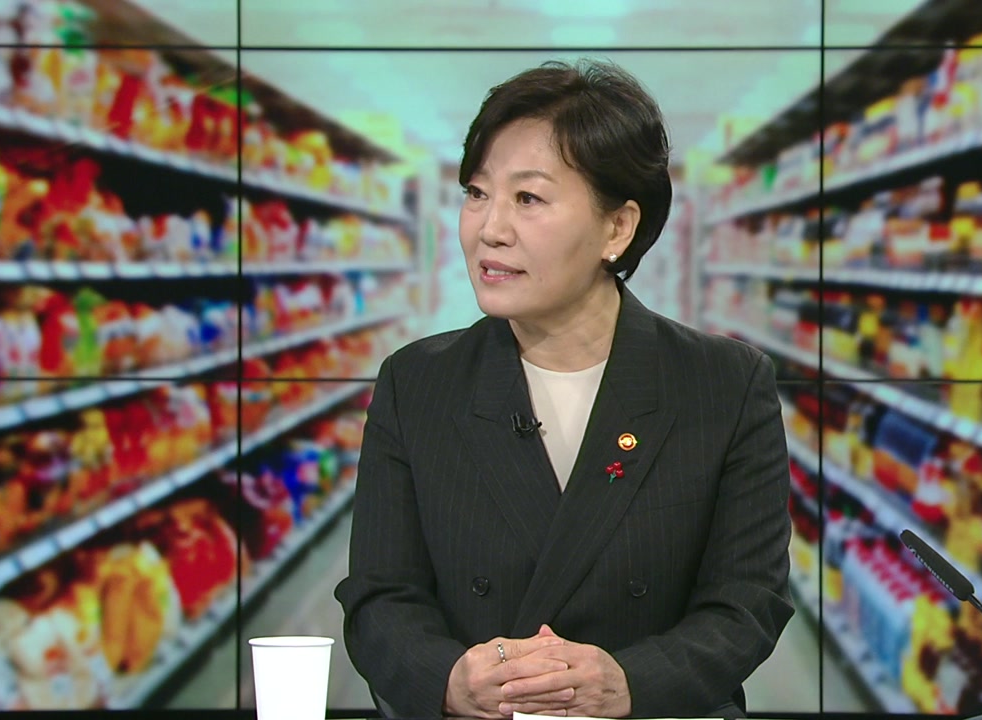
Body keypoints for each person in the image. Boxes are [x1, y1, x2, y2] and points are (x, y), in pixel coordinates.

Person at [334, 58, 794, 720]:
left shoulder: (723, 384)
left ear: (617, 228)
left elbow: (747, 600)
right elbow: (380, 596)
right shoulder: (418, 383)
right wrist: (451, 680)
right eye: (476, 193)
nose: (490, 228)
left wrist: (630, 681)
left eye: (528, 199)